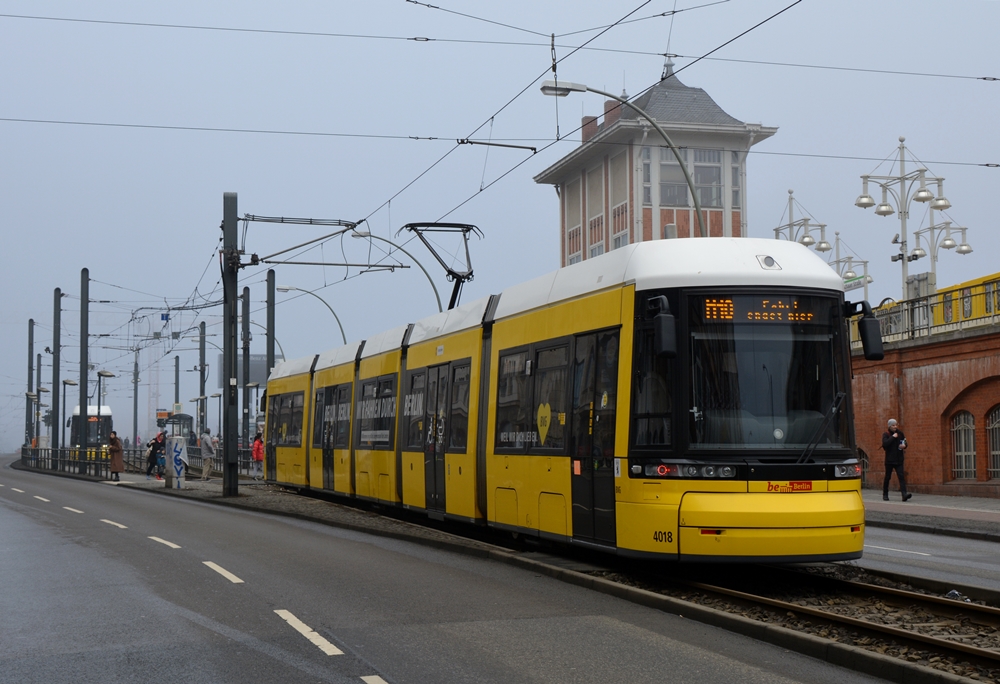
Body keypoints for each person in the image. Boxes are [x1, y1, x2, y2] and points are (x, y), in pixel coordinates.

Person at [882, 418, 912, 502]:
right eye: (893, 425)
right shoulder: (886, 434)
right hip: (889, 460)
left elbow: (905, 442)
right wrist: (892, 437)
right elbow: (885, 444)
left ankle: (904, 494)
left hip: (899, 459)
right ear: (889, 426)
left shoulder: (900, 433)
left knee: (901, 476)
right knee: (888, 477)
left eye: (896, 425)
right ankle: (885, 494)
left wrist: (904, 446)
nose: (895, 426)